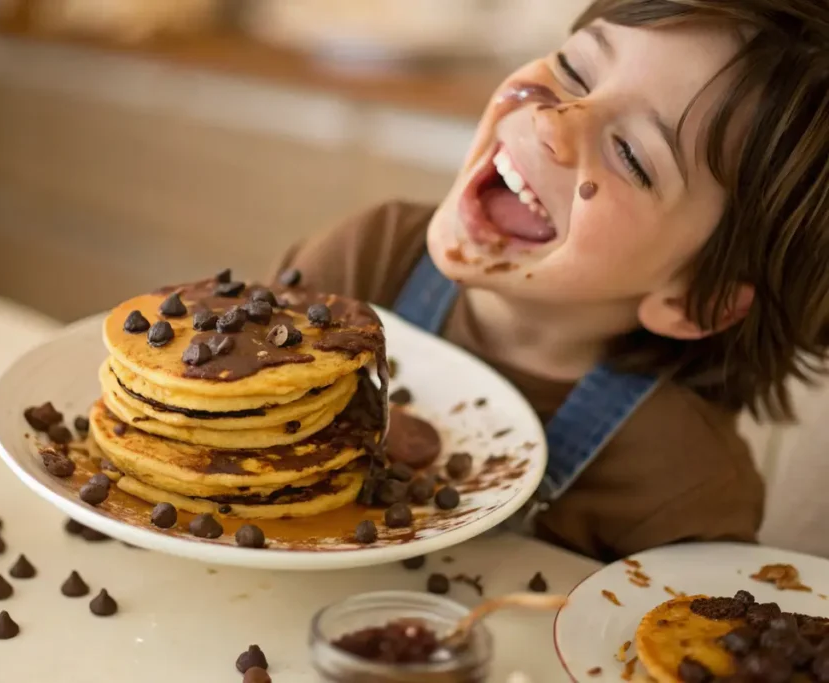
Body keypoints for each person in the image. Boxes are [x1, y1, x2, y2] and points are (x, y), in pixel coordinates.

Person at [271, 0, 829, 561]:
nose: (554, 120)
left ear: (694, 303)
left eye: (632, 156)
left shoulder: (684, 485)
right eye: (574, 71)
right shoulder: (368, 259)